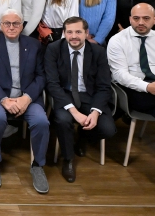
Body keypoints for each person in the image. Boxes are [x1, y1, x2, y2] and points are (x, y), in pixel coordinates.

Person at [0, 9, 49, 193]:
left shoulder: (34, 45)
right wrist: (3, 99)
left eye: (16, 23)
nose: (11, 27)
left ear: (22, 25)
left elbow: (41, 76)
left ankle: (38, 165)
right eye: (7, 23)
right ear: (1, 25)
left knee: (42, 121)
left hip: (28, 97)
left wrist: (26, 98)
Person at [107, 3, 155, 199]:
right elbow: (119, 75)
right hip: (134, 91)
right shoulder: (117, 41)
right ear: (130, 19)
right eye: (136, 18)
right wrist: (148, 87)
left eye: (146, 18)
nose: (141, 22)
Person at [45, 16, 116, 183]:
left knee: (108, 130)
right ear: (64, 33)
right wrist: (74, 112)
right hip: (64, 94)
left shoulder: (98, 52)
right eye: (69, 32)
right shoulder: (53, 49)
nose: (74, 36)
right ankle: (68, 160)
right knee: (63, 120)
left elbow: (104, 86)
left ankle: (83, 138)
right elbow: (52, 84)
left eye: (78, 32)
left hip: (90, 95)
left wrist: (95, 112)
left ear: (86, 33)